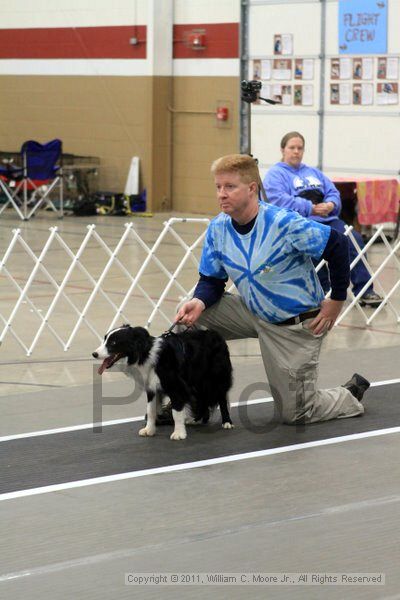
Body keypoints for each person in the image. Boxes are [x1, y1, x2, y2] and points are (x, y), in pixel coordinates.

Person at [175, 154, 370, 426]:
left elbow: (338, 245)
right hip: (252, 312)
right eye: (218, 187)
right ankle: (185, 403)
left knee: (297, 414)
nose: (221, 194)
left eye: (230, 187)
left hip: (294, 326)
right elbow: (211, 281)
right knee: (185, 322)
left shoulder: (284, 223)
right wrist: (199, 301)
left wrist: (336, 299)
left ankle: (348, 395)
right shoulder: (218, 228)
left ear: (252, 188)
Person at [263, 131, 382, 307]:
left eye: (300, 148)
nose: (296, 151)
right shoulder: (275, 174)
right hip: (299, 223)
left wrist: (331, 205)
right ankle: (324, 293)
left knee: (354, 240)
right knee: (315, 250)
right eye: (292, 148)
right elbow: (278, 200)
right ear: (282, 150)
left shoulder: (314, 172)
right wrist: (310, 208)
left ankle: (365, 291)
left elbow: (333, 192)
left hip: (328, 220)